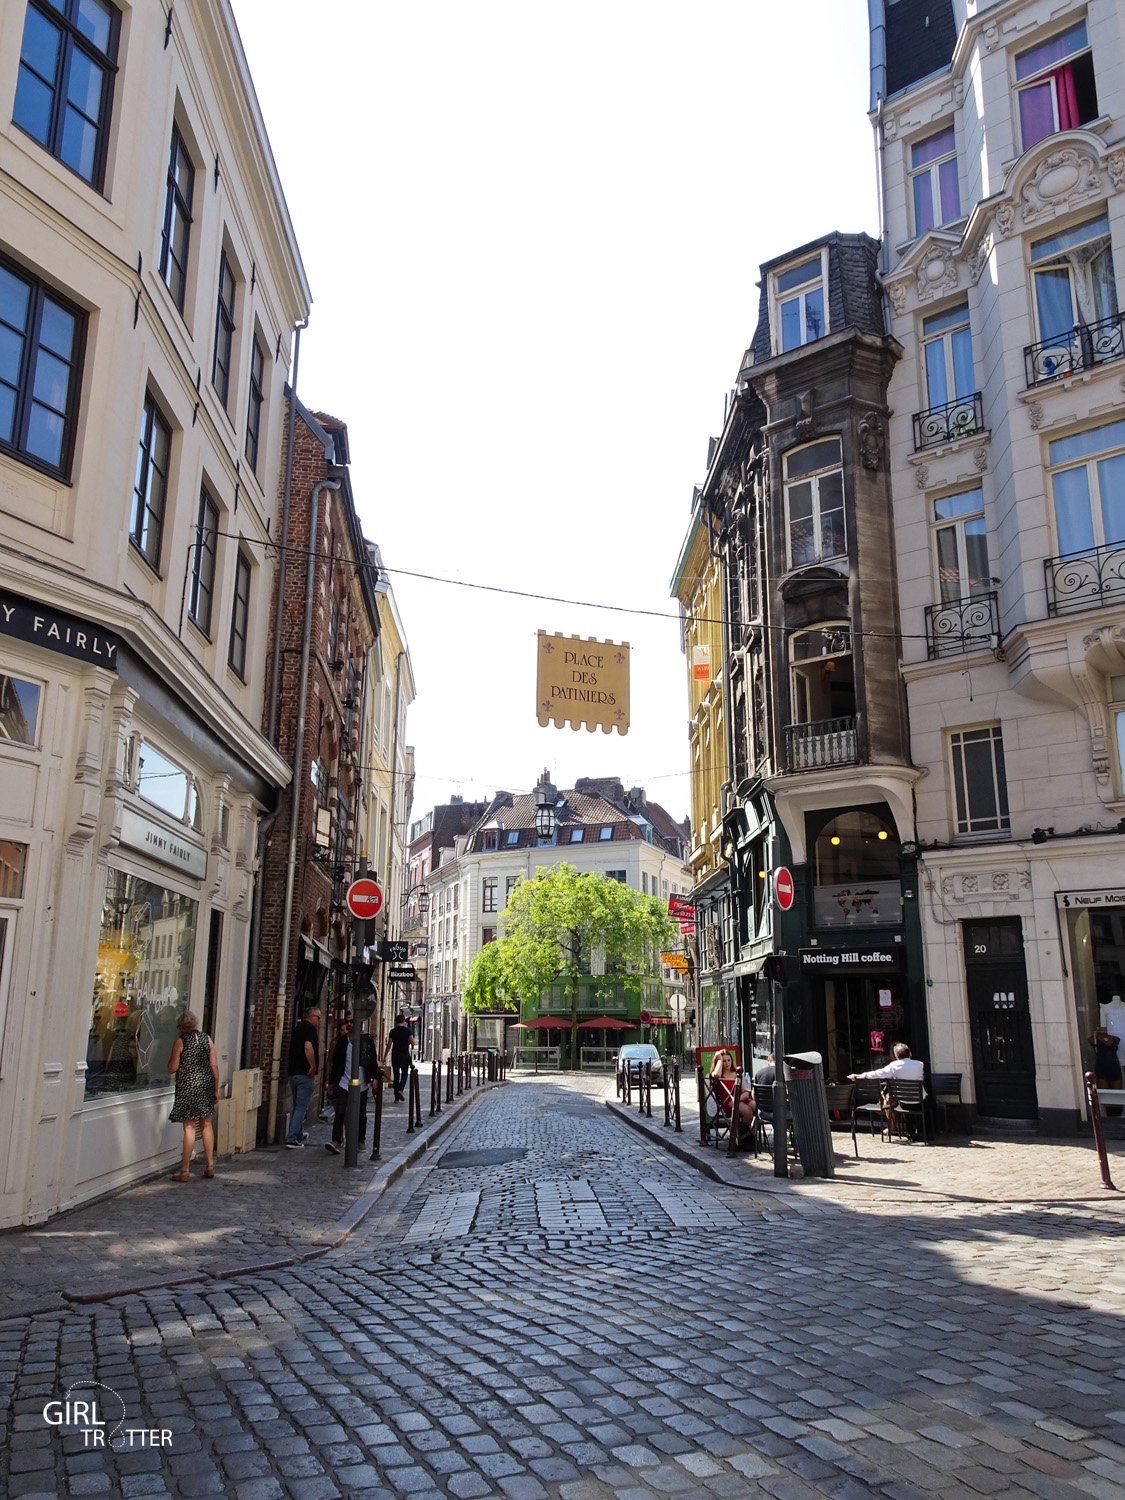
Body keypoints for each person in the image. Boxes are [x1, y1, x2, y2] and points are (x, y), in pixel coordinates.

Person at [167, 1011, 220, 1181]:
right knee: (206, 1124)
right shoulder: (207, 1039)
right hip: (205, 1084)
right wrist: (215, 1089)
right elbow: (214, 1066)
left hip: (188, 1086)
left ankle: (185, 1171)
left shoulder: (180, 1041)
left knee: (189, 1127)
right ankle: (210, 1165)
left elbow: (173, 1067)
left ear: (181, 1026)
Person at [325, 1021, 378, 1153]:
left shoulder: (366, 1040)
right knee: (340, 1112)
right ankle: (336, 1140)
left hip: (362, 1083)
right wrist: (331, 1082)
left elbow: (372, 1060)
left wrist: (374, 1077)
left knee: (362, 1114)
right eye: (348, 1021)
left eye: (352, 1022)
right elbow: (336, 1062)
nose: (349, 1024)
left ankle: (361, 1140)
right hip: (344, 1082)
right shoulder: (342, 1042)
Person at [285, 1005, 321, 1148]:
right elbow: (308, 1046)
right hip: (304, 1074)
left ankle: (298, 1134)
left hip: (293, 1073)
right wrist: (312, 1066)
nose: (319, 1021)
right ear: (311, 1017)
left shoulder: (296, 1029)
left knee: (296, 1106)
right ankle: (292, 1138)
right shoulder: (310, 1030)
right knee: (301, 1107)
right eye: (318, 1018)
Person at [709, 1049, 756, 1141]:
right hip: (727, 1103)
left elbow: (746, 1092)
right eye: (724, 1061)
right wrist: (718, 1059)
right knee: (748, 1111)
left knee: (759, 1108)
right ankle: (743, 1135)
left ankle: (750, 1132)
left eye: (729, 1060)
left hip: (739, 1099)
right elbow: (716, 1076)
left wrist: (736, 1099)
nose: (727, 1063)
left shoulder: (738, 1073)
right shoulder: (718, 1075)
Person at [847, 1042, 924, 1084]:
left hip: (903, 1102)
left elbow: (877, 1073)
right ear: (910, 1053)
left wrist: (859, 1075)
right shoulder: (920, 1064)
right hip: (920, 1103)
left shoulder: (894, 1065)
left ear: (896, 1057)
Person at [383, 1013, 413, 1103]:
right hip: (404, 1055)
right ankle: (400, 1089)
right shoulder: (408, 1031)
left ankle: (396, 1098)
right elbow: (413, 1042)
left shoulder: (392, 1031)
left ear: (396, 1021)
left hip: (395, 1056)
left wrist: (384, 1056)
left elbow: (389, 1045)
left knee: (396, 1076)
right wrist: (408, 1041)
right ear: (404, 1021)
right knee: (404, 1074)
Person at [1089, 1026, 1123, 1090]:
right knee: (1103, 1092)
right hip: (1102, 1067)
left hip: (1114, 1067)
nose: (1104, 1029)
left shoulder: (1115, 1038)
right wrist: (1098, 1033)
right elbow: (1090, 1039)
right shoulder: (1095, 1038)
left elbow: (1118, 1039)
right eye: (1102, 1028)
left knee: (1118, 1092)